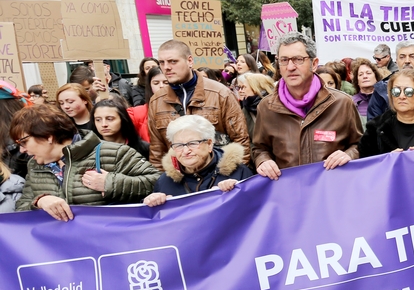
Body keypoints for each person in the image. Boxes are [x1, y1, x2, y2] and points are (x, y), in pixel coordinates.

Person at [13, 104, 159, 219]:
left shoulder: (114, 153)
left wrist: (111, 183)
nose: (22, 150)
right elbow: (21, 208)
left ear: (48, 136)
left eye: (23, 142)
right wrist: (40, 201)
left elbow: (156, 182)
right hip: (63, 250)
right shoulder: (34, 165)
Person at [253, 32, 363, 178]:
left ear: (314, 64)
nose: (290, 67)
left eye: (298, 59)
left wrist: (349, 155)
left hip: (332, 191)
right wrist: (263, 161)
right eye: (284, 60)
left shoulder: (342, 103)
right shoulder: (266, 107)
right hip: (289, 193)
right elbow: (259, 148)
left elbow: (361, 145)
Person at [149, 40, 250, 171]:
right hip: (181, 182)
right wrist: (167, 184)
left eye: (173, 61)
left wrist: (234, 178)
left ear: (189, 61)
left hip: (221, 179)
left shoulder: (220, 93)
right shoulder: (157, 101)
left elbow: (241, 141)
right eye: (162, 62)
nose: (166, 67)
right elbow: (157, 152)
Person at [143, 115, 254, 206]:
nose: (186, 151)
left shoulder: (238, 173)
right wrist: (150, 202)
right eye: (179, 145)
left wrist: (238, 192)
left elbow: (256, 209)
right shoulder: (166, 181)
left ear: (209, 144)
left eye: (192, 143)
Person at [129, 66, 170, 142]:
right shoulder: (137, 113)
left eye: (166, 82)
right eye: (156, 83)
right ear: (150, 85)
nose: (161, 86)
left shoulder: (185, 108)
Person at [235, 72, 275, 142]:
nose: (241, 91)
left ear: (255, 88)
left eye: (244, 87)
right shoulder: (246, 109)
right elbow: (246, 139)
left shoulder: (276, 105)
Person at [352, 58, 380, 125]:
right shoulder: (351, 102)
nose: (365, 76)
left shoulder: (384, 100)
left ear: (376, 77)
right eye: (360, 74)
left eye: (368, 73)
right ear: (357, 81)